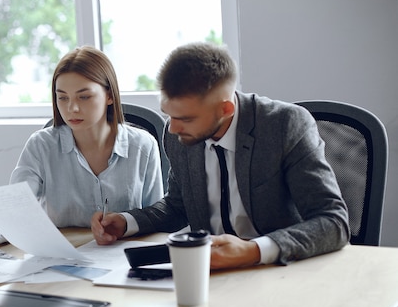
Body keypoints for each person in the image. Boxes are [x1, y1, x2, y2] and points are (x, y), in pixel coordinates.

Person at [91, 42, 349, 269]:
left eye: (186, 118)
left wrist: (253, 251)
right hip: (213, 272)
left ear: (225, 109)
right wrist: (127, 222)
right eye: (168, 113)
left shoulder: (284, 125)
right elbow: (177, 206)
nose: (173, 127)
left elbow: (333, 221)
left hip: (279, 269)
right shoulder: (178, 135)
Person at [0, 46, 164, 243]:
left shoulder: (143, 147)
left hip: (122, 260)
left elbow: (157, 220)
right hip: (62, 259)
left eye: (84, 97)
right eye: (62, 98)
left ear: (109, 95)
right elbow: (16, 216)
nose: (72, 108)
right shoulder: (40, 146)